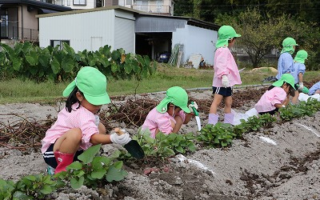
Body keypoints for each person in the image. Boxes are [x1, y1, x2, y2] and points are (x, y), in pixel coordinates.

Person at [41, 67, 131, 174]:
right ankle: (61, 169)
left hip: (74, 150)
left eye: (99, 101)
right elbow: (92, 138)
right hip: (53, 153)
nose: (98, 105)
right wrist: (112, 138)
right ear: (79, 96)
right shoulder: (81, 114)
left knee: (100, 127)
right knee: (76, 134)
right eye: (94, 102)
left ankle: (85, 160)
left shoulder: (83, 108)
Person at [208, 25, 242, 125]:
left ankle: (228, 123)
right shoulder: (222, 50)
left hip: (228, 82)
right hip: (221, 82)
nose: (234, 41)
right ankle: (212, 124)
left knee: (228, 102)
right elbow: (220, 64)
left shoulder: (225, 50)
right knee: (216, 102)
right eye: (234, 39)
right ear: (230, 39)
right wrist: (224, 76)